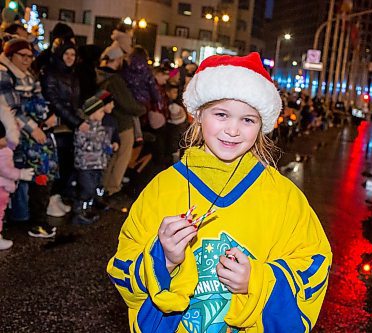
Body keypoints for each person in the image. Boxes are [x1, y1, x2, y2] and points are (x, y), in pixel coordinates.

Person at [107, 52, 332, 332]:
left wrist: (257, 280)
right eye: (221, 114)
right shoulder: (163, 187)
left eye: (248, 120)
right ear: (199, 114)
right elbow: (122, 264)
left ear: (263, 125)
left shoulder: (283, 196)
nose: (233, 130)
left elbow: (314, 263)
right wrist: (162, 259)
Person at [0, 38, 59, 238]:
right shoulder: (4, 73)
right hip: (12, 136)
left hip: (27, 133)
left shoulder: (28, 75)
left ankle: (31, 219)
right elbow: (11, 109)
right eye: (22, 55)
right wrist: (34, 128)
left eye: (29, 56)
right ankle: (30, 221)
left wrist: (48, 118)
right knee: (17, 175)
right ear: (10, 55)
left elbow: (39, 99)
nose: (27, 60)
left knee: (34, 175)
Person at [96, 43, 146, 196]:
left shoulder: (100, 75)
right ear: (116, 59)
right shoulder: (115, 80)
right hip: (122, 123)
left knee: (111, 157)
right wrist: (142, 109)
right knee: (121, 157)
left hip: (110, 121)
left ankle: (104, 187)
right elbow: (127, 103)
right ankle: (112, 188)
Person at [40, 38, 82, 217]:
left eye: (73, 54)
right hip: (57, 125)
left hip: (69, 125)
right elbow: (55, 101)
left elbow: (74, 101)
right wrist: (75, 121)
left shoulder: (73, 75)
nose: (70, 57)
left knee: (67, 163)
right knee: (58, 163)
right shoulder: (51, 73)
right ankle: (50, 199)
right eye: (67, 54)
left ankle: (57, 197)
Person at [73, 92, 118, 224]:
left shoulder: (100, 126)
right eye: (100, 112)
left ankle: (88, 209)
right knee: (87, 188)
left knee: (95, 186)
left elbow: (104, 139)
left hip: (98, 163)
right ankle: (79, 212)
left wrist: (110, 145)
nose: (103, 114)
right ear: (91, 113)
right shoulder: (83, 128)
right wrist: (98, 145)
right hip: (86, 165)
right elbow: (80, 144)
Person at [0, 113, 34, 249]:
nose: (5, 140)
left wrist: (15, 129)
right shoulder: (2, 152)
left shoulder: (4, 148)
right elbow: (5, 170)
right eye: (2, 138)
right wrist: (21, 174)